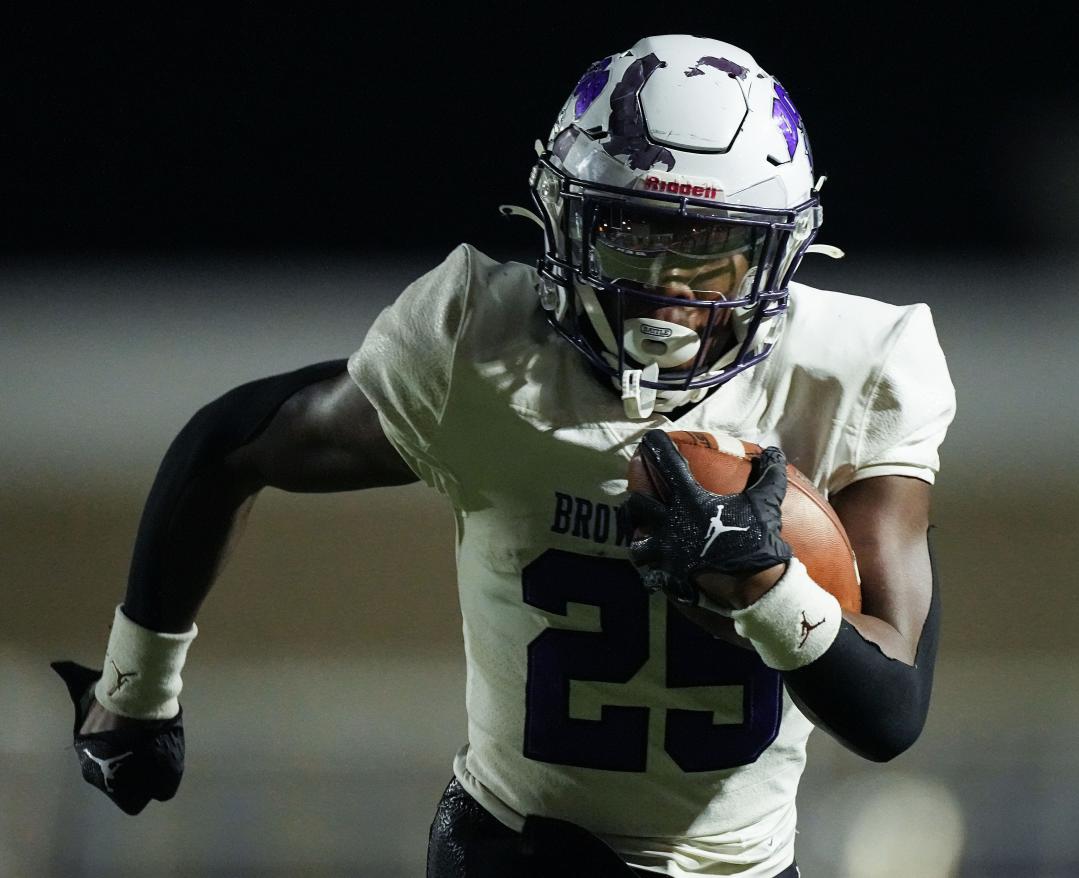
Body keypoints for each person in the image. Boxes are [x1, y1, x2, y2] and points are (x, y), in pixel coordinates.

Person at [53, 34, 955, 878]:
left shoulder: (850, 374)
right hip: (518, 849)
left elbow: (890, 711)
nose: (667, 291)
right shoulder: (479, 348)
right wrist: (136, 688)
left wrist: (767, 586)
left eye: (710, 249)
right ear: (564, 219)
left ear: (778, 250)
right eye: (631, 233)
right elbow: (230, 439)